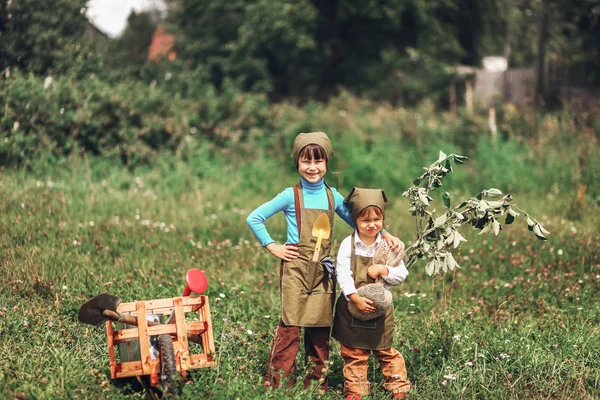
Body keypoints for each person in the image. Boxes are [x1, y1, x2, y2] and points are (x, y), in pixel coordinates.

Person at [246, 132, 403, 391]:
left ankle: (316, 384)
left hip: (322, 271)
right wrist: (272, 245)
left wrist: (385, 233)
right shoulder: (290, 195)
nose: (312, 167)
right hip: (296, 268)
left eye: (318, 161)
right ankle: (278, 384)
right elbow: (254, 218)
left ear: (327, 163)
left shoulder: (333, 197)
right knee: (290, 325)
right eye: (306, 161)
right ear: (297, 162)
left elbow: (361, 221)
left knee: (319, 328)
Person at [332, 187, 411, 400]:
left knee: (384, 349)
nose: (372, 224)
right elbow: (342, 273)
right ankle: (356, 390)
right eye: (365, 220)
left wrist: (385, 270)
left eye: (377, 219)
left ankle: (397, 385)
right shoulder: (347, 245)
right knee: (354, 353)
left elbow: (402, 273)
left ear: (383, 219)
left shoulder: (388, 245)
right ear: (355, 219)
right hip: (352, 306)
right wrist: (354, 297)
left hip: (380, 308)